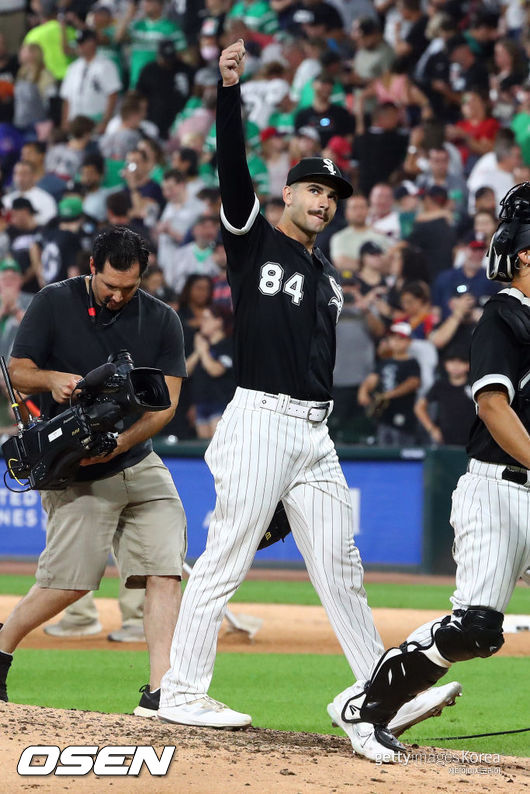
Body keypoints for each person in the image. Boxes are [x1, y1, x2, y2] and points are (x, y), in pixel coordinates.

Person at [157, 38, 462, 763]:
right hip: (260, 416)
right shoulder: (253, 240)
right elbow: (231, 167)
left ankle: (377, 692)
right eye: (313, 189)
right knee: (228, 551)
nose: (324, 200)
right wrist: (227, 91)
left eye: (333, 194)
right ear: (287, 193)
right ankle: (181, 688)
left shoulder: (327, 279)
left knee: (341, 564)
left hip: (313, 433)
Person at [347, 182, 530, 738]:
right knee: (476, 630)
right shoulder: (505, 315)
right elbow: (493, 405)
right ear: (525, 255)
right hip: (499, 488)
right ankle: (369, 706)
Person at [0, 227, 188, 716]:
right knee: (71, 584)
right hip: (75, 469)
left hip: (137, 459)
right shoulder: (54, 301)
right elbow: (14, 369)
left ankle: (161, 691)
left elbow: (166, 404)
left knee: (165, 570)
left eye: (130, 286)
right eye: (110, 285)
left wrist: (122, 443)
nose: (119, 295)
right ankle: (1, 646)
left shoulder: (162, 318)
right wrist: (51, 380)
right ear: (92, 268)